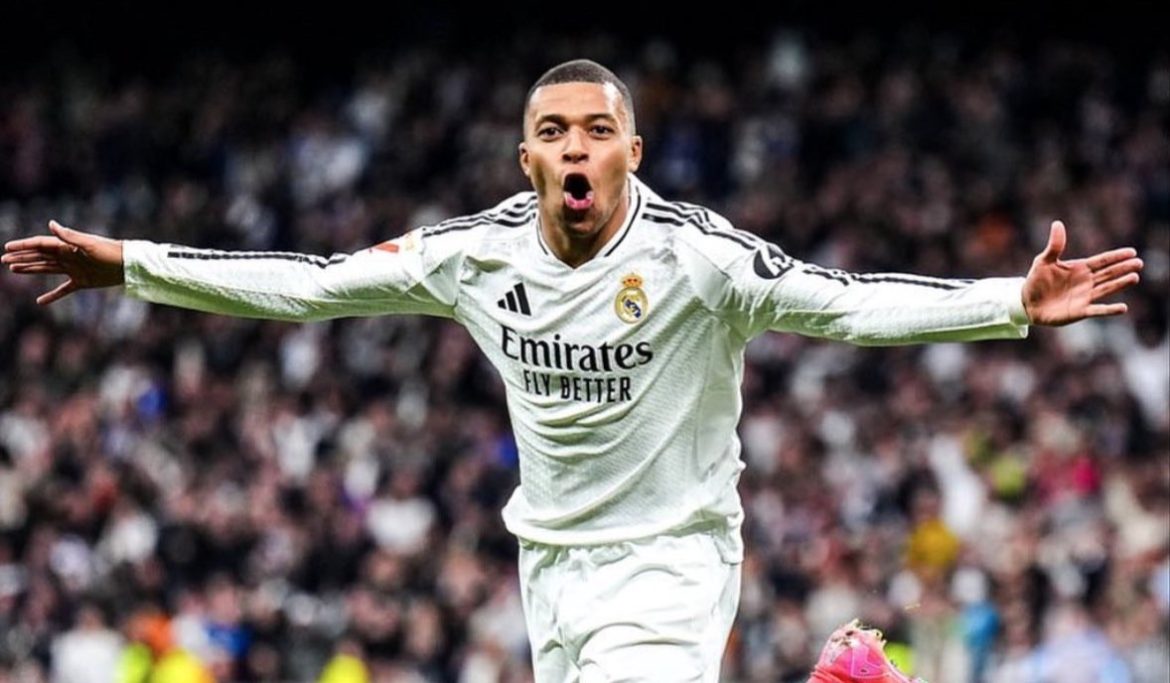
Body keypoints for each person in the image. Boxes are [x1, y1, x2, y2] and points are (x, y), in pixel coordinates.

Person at [2, 59, 1143, 682]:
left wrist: (1011, 303)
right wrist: (132, 265)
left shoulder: (697, 257)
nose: (576, 146)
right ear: (528, 158)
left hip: (672, 556)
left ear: (632, 151)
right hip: (549, 563)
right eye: (554, 131)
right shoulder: (475, 254)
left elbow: (845, 304)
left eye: (597, 129)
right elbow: (310, 281)